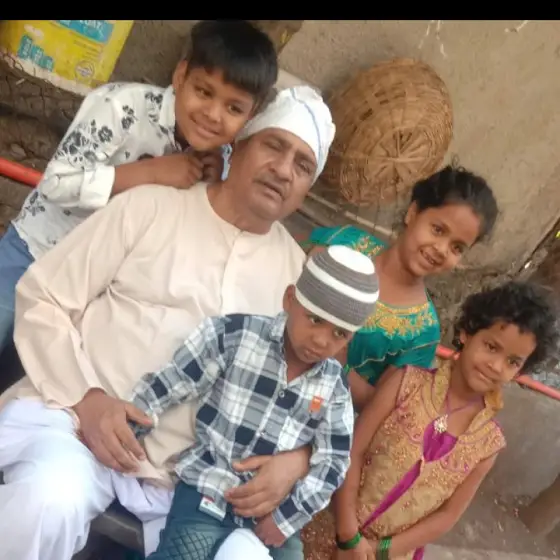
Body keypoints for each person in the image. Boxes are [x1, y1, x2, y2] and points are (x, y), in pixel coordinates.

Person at [0, 84, 336, 560]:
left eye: (302, 166)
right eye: (274, 146)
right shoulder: (149, 208)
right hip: (77, 428)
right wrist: (87, 399)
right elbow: (43, 297)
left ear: (305, 190)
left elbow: (312, 394)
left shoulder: (297, 281)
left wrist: (297, 460)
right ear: (238, 147)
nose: (283, 170)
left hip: (190, 481)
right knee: (49, 497)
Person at [0, 19, 278, 356]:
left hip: (91, 295)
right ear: (181, 75)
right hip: (34, 256)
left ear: (252, 115)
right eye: (204, 92)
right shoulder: (123, 107)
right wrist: (150, 172)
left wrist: (213, 188)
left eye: (234, 108)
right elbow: (56, 184)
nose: (213, 114)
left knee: (24, 375)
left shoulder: (223, 162)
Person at [130, 245, 379, 560]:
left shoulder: (335, 388)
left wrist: (285, 519)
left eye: (339, 333)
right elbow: (176, 380)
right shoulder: (237, 335)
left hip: (274, 512)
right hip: (210, 488)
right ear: (290, 299)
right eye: (315, 319)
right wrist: (132, 423)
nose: (321, 340)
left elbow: (333, 463)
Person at [300, 280, 559, 560]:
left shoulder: (488, 444)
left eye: (512, 362)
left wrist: (378, 551)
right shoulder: (404, 384)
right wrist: (349, 536)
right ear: (466, 332)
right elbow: (353, 452)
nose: (496, 366)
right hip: (331, 524)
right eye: (491, 346)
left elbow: (447, 515)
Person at [301, 165, 499, 411]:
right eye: (438, 230)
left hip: (320, 414)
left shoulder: (422, 333)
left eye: (457, 247)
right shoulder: (344, 243)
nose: (441, 249)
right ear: (413, 213)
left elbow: (378, 408)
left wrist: (341, 365)